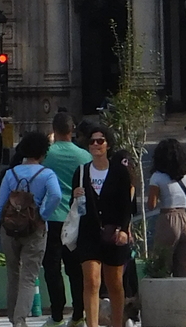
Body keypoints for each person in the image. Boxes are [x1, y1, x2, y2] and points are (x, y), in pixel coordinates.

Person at [0, 131, 61, 327]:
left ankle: (12, 318)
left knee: (13, 275)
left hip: (9, 230)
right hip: (34, 229)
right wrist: (42, 215)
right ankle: (20, 320)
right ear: (43, 152)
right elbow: (56, 196)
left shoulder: (11, 174)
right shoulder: (47, 174)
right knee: (29, 276)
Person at [70, 125, 133, 327]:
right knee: (91, 280)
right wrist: (75, 196)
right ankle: (92, 324)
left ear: (108, 144)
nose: (96, 144)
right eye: (92, 141)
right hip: (88, 233)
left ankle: (117, 323)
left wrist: (124, 230)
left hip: (113, 232)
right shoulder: (81, 172)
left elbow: (126, 205)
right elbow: (76, 206)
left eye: (100, 141)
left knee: (114, 283)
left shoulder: (119, 172)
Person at [43, 114, 91, 326]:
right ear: (72, 130)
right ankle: (78, 314)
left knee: (52, 267)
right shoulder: (84, 156)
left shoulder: (46, 154)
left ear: (53, 129)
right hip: (76, 218)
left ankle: (57, 315)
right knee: (76, 269)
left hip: (51, 217)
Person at [145, 140, 186, 278]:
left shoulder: (157, 177)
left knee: (162, 262)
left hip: (168, 218)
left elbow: (151, 205)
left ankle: (165, 291)